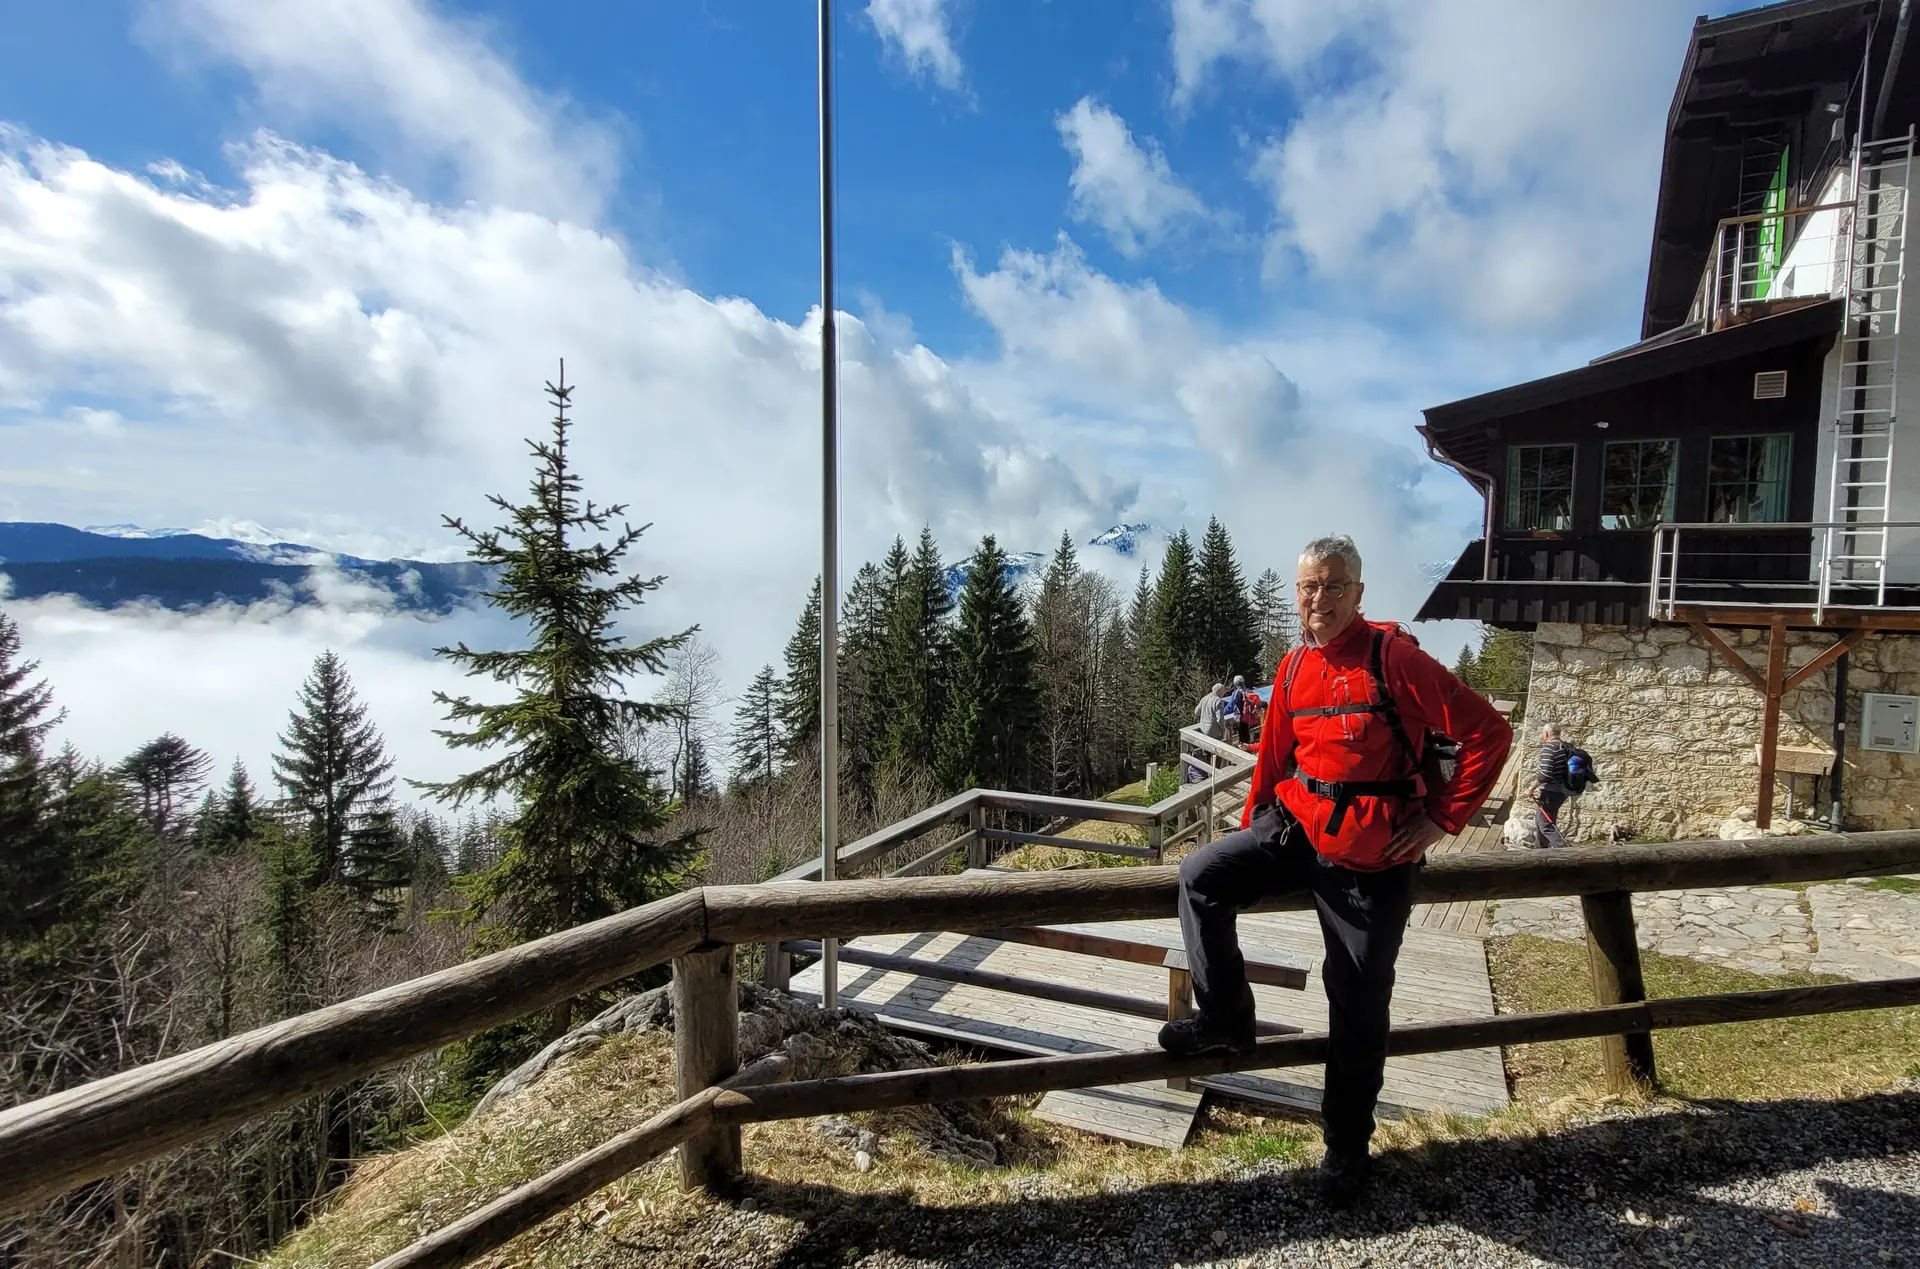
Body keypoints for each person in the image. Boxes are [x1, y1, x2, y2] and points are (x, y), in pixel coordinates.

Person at [1159, 535, 1511, 1208]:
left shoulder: (1394, 659)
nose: (1317, 598)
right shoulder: (1294, 667)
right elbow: (1273, 757)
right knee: (1201, 874)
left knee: (1355, 1003)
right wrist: (1251, 833)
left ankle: (1345, 1149)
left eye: (1332, 585)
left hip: (1374, 856)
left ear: (1357, 592)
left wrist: (1442, 820)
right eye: (1307, 586)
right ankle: (1228, 1019)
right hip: (1298, 829)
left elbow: (1488, 732)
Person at [1532, 723, 1572, 848]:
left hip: (1551, 792)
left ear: (1546, 734)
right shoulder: (1566, 747)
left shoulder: (1549, 748)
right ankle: (1541, 852)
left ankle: (1566, 852)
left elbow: (1544, 773)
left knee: (1545, 824)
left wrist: (1530, 789)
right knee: (1541, 820)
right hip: (1562, 791)